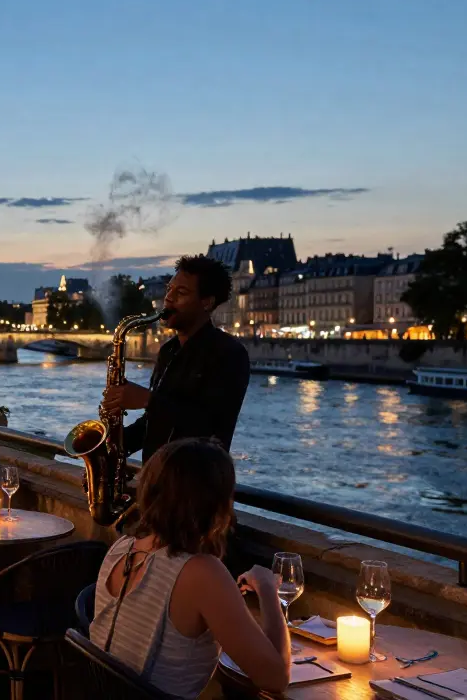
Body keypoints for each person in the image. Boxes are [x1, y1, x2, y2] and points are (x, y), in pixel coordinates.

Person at [89, 438, 290, 696]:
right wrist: (268, 589)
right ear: (216, 504)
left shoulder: (120, 549)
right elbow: (276, 678)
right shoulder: (202, 573)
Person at [103, 254, 251, 460]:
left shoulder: (229, 353)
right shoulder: (168, 351)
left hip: (196, 482)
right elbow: (155, 423)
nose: (168, 298)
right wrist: (111, 447)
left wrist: (148, 400)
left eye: (180, 292)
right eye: (169, 290)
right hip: (157, 478)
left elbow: (209, 427)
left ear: (206, 302)